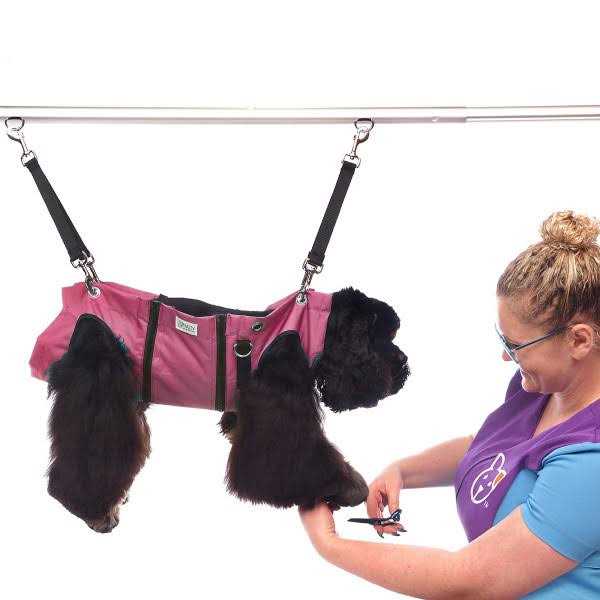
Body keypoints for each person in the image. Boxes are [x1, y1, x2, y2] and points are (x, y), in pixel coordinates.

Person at [299, 210, 600, 599]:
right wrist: (403, 471)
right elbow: (498, 448)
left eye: (516, 346)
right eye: (503, 340)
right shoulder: (540, 387)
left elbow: (469, 581)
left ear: (579, 340)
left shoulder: (591, 462)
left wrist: (330, 545)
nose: (506, 357)